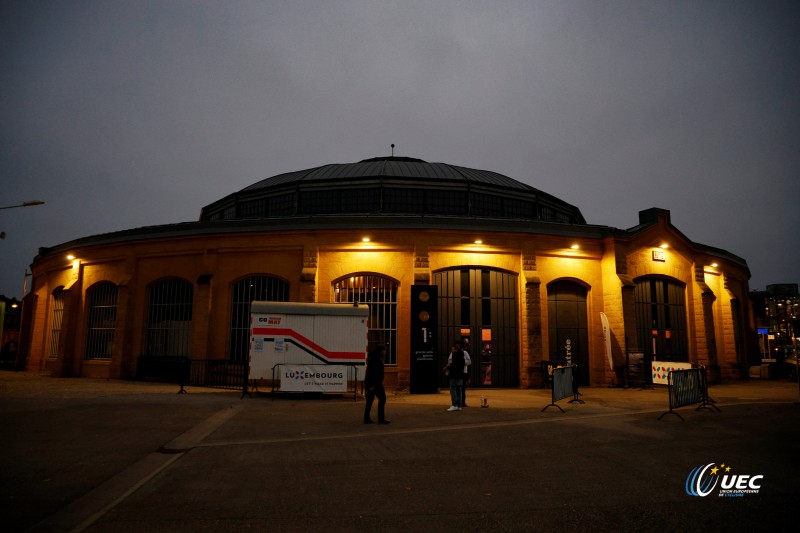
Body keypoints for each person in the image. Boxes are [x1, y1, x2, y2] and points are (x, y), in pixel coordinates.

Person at [363, 344, 390, 424]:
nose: (385, 353)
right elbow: (373, 374)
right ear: (380, 351)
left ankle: (366, 418)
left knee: (370, 401)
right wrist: (372, 386)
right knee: (382, 398)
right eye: (384, 351)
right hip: (376, 384)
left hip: (373, 384)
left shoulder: (374, 359)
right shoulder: (376, 360)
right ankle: (381, 419)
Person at [445, 343, 466, 411]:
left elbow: (454, 366)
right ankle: (459, 405)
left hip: (454, 376)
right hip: (460, 376)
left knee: (453, 390)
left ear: (456, 349)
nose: (452, 351)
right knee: (459, 390)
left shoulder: (455, 356)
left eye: (453, 349)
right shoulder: (462, 357)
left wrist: (447, 367)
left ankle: (454, 405)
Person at [460, 341, 472, 407]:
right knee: (456, 388)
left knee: (463, 388)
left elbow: (469, 362)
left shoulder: (465, 353)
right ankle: (457, 402)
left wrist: (461, 362)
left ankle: (463, 402)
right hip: (456, 372)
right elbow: (450, 361)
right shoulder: (453, 353)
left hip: (463, 372)